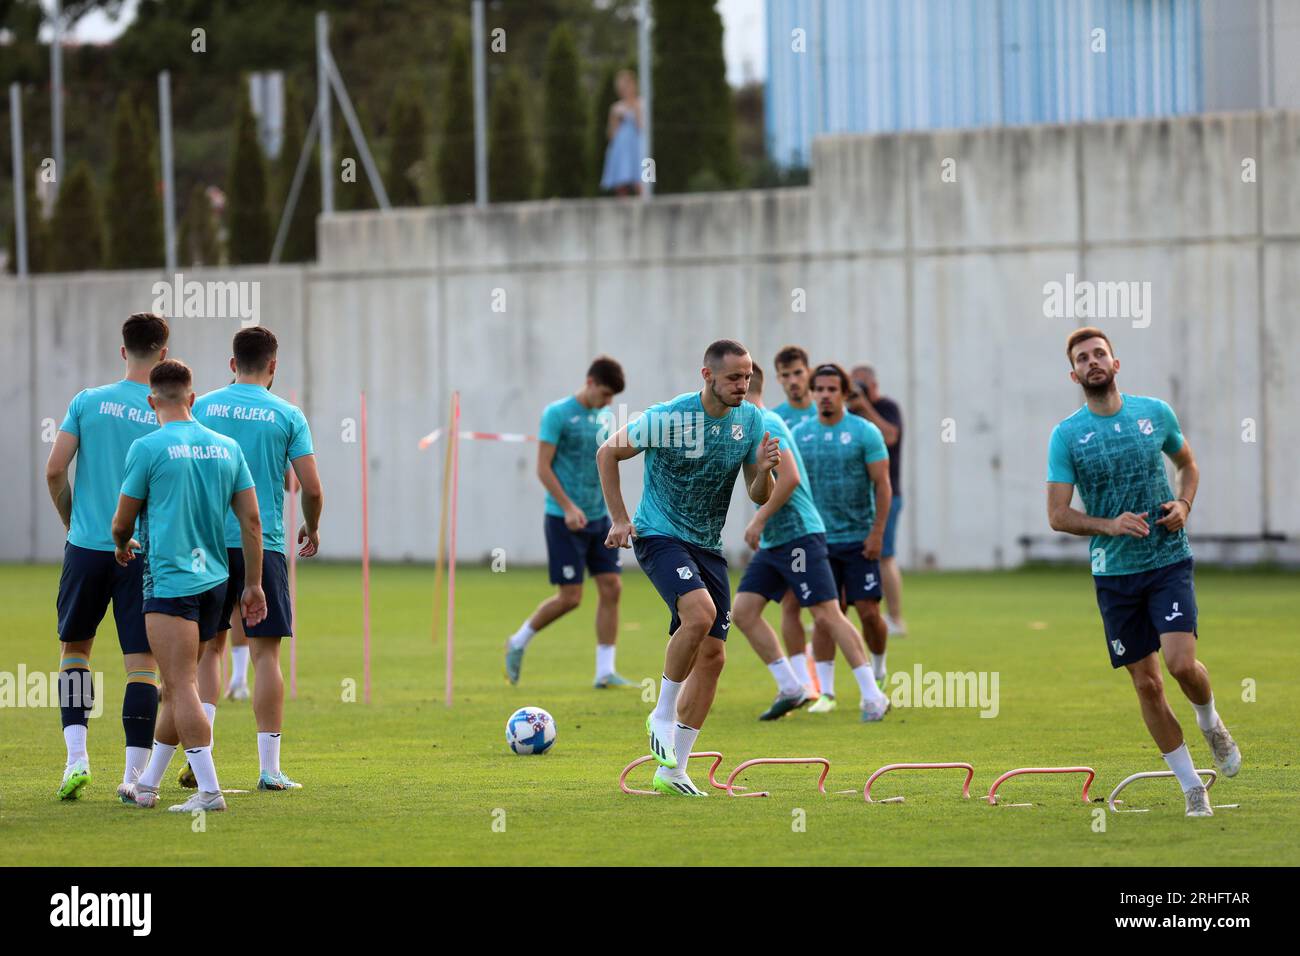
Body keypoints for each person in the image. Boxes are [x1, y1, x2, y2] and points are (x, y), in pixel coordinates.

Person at [1047, 327, 1240, 818]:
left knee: (1180, 665)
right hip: (1114, 576)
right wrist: (1108, 525)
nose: (1093, 362)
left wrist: (1184, 502)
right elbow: (1058, 514)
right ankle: (1191, 786)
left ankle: (1210, 720)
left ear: (1116, 363)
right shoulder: (1067, 435)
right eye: (1083, 358)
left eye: (1100, 354)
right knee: (1147, 684)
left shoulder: (1154, 413)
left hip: (1168, 559)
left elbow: (1188, 465)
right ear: (1074, 374)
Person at [596, 339, 780, 796]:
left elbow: (760, 494)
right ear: (707, 376)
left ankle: (673, 770)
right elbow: (607, 452)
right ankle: (661, 711)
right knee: (699, 614)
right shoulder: (670, 416)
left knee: (714, 657)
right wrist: (621, 518)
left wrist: (762, 471)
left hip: (707, 545)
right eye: (734, 377)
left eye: (748, 375)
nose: (743, 384)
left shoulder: (751, 420)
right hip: (659, 534)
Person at [115, 359, 266, 813]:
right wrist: (254, 586)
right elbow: (252, 521)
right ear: (193, 397)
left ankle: (209, 792)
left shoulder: (147, 447)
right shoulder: (226, 447)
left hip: (171, 581)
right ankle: (146, 785)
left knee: (179, 686)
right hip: (217, 583)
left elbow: (122, 520)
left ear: (151, 401)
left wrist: (122, 544)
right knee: (179, 685)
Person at [186, 327, 322, 792]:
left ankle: (199, 756)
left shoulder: (200, 405)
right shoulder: (287, 414)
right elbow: (312, 487)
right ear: (273, 367)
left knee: (209, 648)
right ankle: (269, 769)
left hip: (203, 543)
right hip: (260, 543)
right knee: (266, 654)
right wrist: (313, 525)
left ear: (232, 364)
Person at [45, 313, 169, 802]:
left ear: (123, 351)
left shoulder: (87, 401)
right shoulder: (167, 409)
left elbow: (56, 471)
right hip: (141, 553)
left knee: (75, 652)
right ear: (163, 353)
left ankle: (76, 760)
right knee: (142, 666)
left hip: (86, 548)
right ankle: (134, 776)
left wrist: (72, 523)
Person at [735, 364, 892, 722]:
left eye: (734, 382)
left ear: (745, 388)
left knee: (826, 614)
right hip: (777, 540)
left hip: (799, 537)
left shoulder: (768, 424)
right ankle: (792, 687)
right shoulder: (747, 428)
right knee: (743, 612)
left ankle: (873, 695)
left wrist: (758, 519)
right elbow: (762, 485)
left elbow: (788, 478)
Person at [505, 356, 628, 688]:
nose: (608, 402)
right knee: (571, 597)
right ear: (589, 383)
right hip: (564, 518)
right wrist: (568, 506)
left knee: (612, 587)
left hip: (599, 518)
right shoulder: (556, 414)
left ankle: (605, 671)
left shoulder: (604, 416)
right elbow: (542, 468)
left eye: (611, 398)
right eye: (604, 394)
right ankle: (518, 640)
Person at [797, 364, 893, 714]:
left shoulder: (865, 432)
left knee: (868, 612)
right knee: (825, 614)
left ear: (844, 393)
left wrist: (878, 531)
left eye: (831, 389)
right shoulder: (802, 435)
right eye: (818, 389)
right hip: (818, 541)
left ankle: (879, 668)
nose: (824, 395)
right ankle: (827, 693)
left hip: (858, 537)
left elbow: (882, 485)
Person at [770, 345, 819, 691]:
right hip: (793, 528)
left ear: (809, 373)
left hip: (827, 524)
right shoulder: (774, 419)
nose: (792, 381)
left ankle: (871, 678)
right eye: (785, 376)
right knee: (790, 602)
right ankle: (805, 683)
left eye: (797, 373)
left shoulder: (828, 412)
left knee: (833, 608)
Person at [850, 365, 906, 635]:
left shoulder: (887, 407)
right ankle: (835, 615)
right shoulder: (847, 413)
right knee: (844, 552)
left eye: (862, 386)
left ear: (873, 385)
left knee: (885, 555)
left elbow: (891, 436)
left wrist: (865, 408)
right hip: (856, 498)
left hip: (887, 494)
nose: (857, 392)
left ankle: (895, 618)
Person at [600, 70, 644, 196]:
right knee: (621, 181)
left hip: (639, 147)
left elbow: (642, 128)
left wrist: (635, 109)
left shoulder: (642, 103)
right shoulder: (616, 108)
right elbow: (611, 135)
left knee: (645, 179)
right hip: (622, 149)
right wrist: (615, 119)